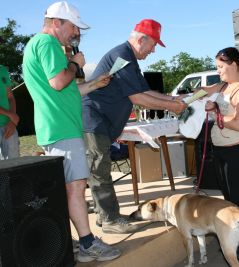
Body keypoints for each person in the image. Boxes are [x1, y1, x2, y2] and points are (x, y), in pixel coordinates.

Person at [22, 1, 120, 262]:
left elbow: (67, 90)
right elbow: (58, 82)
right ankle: (88, 243)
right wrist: (75, 64)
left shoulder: (38, 45)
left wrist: (94, 84)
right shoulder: (48, 44)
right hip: (61, 126)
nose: (75, 33)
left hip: (58, 125)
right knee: (76, 187)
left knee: (72, 186)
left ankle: (76, 242)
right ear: (57, 23)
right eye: (72, 27)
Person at [82, 19, 187, 234]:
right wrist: (173, 106)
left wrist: (173, 99)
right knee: (100, 169)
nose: (154, 50)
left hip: (102, 121)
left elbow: (146, 91)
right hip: (94, 119)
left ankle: (107, 216)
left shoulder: (128, 58)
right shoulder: (122, 55)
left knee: (101, 168)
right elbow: (138, 98)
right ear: (141, 39)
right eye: (153, 44)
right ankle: (110, 220)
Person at [198, 47, 239, 257]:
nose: (218, 71)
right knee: (230, 199)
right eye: (217, 67)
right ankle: (236, 238)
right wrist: (182, 99)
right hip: (221, 152)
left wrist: (216, 115)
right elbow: (205, 90)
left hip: (237, 152)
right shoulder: (223, 86)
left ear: (233, 65)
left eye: (221, 67)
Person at [0, 65, 19, 160]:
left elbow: (10, 97)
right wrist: (11, 115)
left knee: (15, 168)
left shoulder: (2, 70)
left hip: (9, 127)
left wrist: (12, 122)